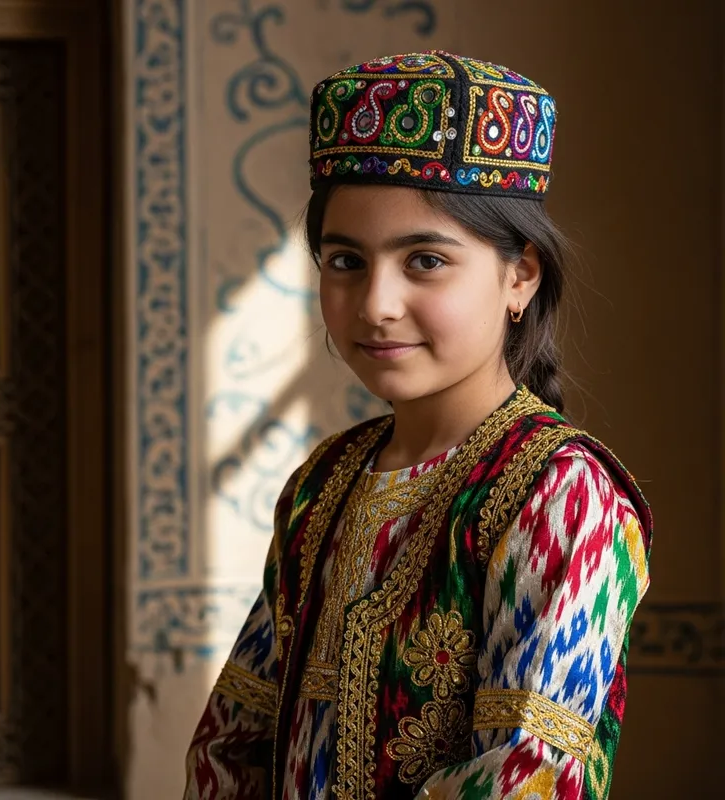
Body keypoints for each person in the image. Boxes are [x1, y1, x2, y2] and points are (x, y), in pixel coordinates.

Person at [184, 51, 652, 800]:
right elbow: (232, 740)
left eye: (425, 260)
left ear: (520, 276)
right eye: (345, 261)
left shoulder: (562, 498)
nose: (375, 304)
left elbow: (528, 777)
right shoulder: (324, 483)